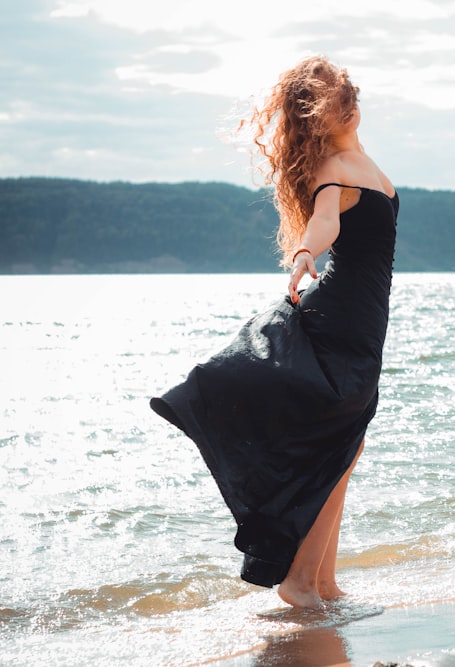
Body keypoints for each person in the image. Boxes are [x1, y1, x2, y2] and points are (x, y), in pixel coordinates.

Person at [150, 55, 398, 608]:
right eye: (338, 100)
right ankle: (300, 582)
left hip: (363, 321)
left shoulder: (362, 159)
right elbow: (326, 219)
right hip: (342, 319)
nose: (351, 103)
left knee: (347, 449)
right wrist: (307, 249)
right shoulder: (334, 169)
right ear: (319, 116)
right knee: (339, 448)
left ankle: (324, 583)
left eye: (351, 94)